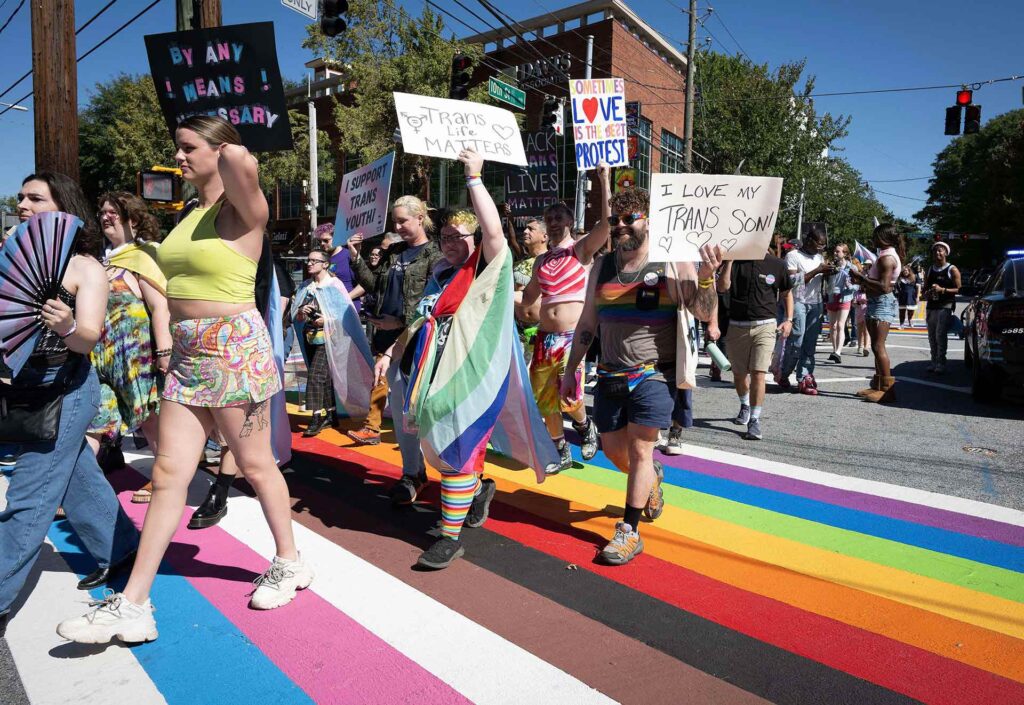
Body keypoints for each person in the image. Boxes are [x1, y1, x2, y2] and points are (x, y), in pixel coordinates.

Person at [58, 115, 311, 644]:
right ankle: (133, 603)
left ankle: (289, 561)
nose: (178, 157)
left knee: (256, 465)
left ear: (218, 151)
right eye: (178, 147)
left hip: (233, 348)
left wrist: (225, 139)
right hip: (189, 352)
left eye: (188, 147)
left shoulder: (243, 210)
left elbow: (244, 162)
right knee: (170, 471)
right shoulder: (190, 211)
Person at [373, 149, 547, 568]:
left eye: (459, 236)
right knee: (439, 448)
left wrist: (474, 178)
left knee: (457, 450)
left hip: (473, 376)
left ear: (476, 241)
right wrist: (390, 354)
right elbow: (420, 322)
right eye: (445, 237)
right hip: (433, 377)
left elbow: (494, 234)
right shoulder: (439, 276)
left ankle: (449, 538)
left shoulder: (489, 270)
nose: (451, 243)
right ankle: (478, 489)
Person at [1, 173, 139, 638]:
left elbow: (88, 338)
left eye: (36, 198)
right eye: (21, 197)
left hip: (66, 390)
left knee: (29, 497)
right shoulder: (12, 257)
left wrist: (65, 325)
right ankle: (121, 547)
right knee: (76, 474)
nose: (23, 205)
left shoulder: (85, 267)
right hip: (22, 388)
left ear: (63, 209)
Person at [559, 186, 720, 566]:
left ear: (648, 221)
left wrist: (707, 277)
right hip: (609, 374)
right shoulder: (602, 266)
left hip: (653, 374)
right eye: (615, 220)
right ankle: (650, 478)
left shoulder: (671, 261)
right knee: (615, 451)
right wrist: (570, 371)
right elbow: (587, 323)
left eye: (630, 219)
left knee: (640, 449)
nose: (621, 226)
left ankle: (629, 531)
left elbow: (701, 311)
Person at [348, 197, 442, 503]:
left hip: (420, 344)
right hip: (390, 343)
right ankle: (412, 472)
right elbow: (374, 285)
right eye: (395, 221)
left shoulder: (435, 255)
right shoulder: (395, 252)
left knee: (428, 415)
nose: (397, 226)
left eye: (403, 221)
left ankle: (463, 479)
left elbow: (434, 303)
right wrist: (355, 256)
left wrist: (400, 322)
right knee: (402, 413)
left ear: (420, 218)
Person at [518, 176, 612, 471]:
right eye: (549, 219)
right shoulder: (541, 261)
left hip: (572, 337)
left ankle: (585, 427)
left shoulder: (580, 250)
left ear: (570, 221)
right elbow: (528, 297)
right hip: (544, 338)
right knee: (544, 399)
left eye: (559, 218)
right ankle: (560, 450)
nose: (554, 223)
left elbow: (606, 223)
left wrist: (604, 180)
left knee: (569, 397)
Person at [91, 192, 170, 505]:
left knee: (147, 416)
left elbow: (160, 306)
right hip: (99, 356)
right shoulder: (100, 260)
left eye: (113, 212)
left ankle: (164, 477)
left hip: (135, 355)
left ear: (133, 219)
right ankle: (80, 485)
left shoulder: (144, 255)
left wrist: (164, 352)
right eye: (102, 211)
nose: (105, 216)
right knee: (97, 416)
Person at [717, 251, 794, 440]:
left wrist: (789, 319)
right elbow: (722, 287)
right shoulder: (735, 262)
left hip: (765, 326)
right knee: (739, 374)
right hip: (737, 326)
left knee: (759, 373)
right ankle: (745, 404)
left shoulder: (777, 264)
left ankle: (754, 419)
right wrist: (729, 262)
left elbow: (787, 293)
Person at [850, 224, 903, 403]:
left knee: (878, 346)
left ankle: (888, 390)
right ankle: (878, 385)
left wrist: (861, 278)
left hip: (881, 303)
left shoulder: (886, 259)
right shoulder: (885, 255)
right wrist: (862, 281)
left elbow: (885, 287)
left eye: (875, 236)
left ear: (884, 238)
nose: (873, 239)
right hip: (876, 302)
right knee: (875, 345)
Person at [781, 225, 832, 394]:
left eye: (823, 245)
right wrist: (817, 270)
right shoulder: (793, 255)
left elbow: (822, 280)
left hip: (816, 302)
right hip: (798, 301)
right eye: (819, 244)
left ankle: (804, 376)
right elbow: (791, 281)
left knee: (810, 342)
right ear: (809, 240)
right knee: (797, 340)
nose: (821, 248)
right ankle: (784, 372)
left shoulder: (819, 257)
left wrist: (828, 272)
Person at [294, 250, 335, 437]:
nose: (309, 263)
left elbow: (344, 313)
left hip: (329, 337)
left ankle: (316, 417)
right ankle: (331, 413)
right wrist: (301, 311)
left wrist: (326, 320)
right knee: (323, 376)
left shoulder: (334, 285)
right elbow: (296, 315)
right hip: (310, 336)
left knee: (316, 375)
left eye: (314, 260)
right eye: (308, 260)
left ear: (325, 264)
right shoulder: (305, 286)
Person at [923, 241, 961, 374]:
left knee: (940, 334)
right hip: (931, 305)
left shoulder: (952, 269)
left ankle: (941, 362)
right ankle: (933, 361)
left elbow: (959, 289)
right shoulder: (930, 269)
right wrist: (927, 293)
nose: (937, 253)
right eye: (935, 251)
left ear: (946, 253)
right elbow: (925, 288)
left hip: (945, 305)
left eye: (940, 250)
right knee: (932, 335)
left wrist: (942, 290)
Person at [315, 222, 364, 311]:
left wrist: (345, 298)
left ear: (337, 238)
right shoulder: (322, 258)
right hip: (328, 308)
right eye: (319, 241)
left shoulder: (349, 255)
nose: (322, 243)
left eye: (326, 240)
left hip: (347, 309)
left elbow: (364, 284)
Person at [824, 243, 856, 364]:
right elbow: (825, 281)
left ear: (845, 253)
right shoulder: (831, 266)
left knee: (840, 325)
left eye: (838, 251)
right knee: (832, 326)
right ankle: (834, 350)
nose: (835, 253)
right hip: (832, 297)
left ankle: (838, 352)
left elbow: (859, 285)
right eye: (835, 251)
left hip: (845, 297)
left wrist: (851, 286)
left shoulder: (851, 267)